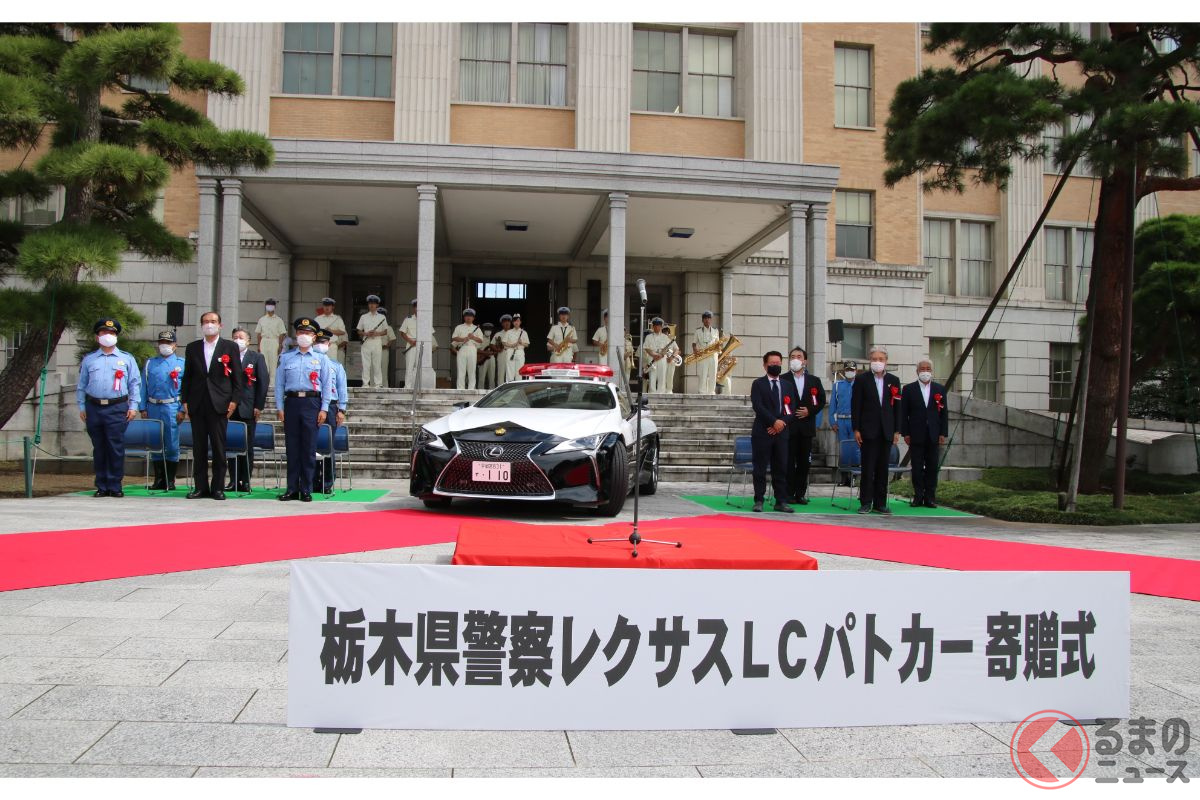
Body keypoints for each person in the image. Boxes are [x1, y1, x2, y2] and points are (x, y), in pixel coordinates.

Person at [179, 310, 243, 500]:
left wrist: (234, 401)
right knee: (198, 448)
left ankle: (218, 488)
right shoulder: (192, 347)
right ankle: (200, 487)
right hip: (197, 403)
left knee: (218, 448)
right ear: (201, 325)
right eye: (206, 321)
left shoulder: (229, 347)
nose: (209, 324)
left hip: (220, 403)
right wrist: (184, 400)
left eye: (213, 321)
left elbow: (237, 377)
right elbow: (187, 377)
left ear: (220, 325)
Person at [77, 318, 141, 497]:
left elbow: (135, 383)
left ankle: (115, 485)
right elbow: (82, 385)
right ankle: (101, 485)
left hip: (117, 407)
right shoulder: (89, 359)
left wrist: (133, 406)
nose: (108, 335)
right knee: (99, 447)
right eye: (104, 332)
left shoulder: (126, 358)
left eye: (111, 333)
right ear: (97, 336)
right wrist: (81, 406)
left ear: (116, 336)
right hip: (94, 406)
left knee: (115, 446)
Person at [276, 318, 333, 501]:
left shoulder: (321, 359)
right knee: (292, 448)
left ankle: (306, 488)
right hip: (292, 402)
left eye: (308, 333)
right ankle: (292, 488)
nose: (304, 336)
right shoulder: (286, 357)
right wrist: (279, 407)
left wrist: (324, 408)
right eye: (301, 332)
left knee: (309, 448)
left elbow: (327, 385)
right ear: (296, 334)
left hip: (312, 403)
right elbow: (279, 384)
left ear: (314, 337)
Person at [851, 345, 902, 514]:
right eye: (874, 359)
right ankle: (866, 502)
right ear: (869, 361)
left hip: (886, 430)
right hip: (868, 429)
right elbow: (856, 405)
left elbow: (898, 407)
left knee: (882, 468)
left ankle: (880, 503)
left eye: (881, 359)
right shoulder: (861, 379)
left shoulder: (894, 380)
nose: (877, 362)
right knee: (868, 467)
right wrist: (856, 429)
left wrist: (897, 430)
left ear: (886, 361)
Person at [749, 351, 800, 514]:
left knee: (781, 468)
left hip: (781, 433)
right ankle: (759, 500)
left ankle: (781, 501)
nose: (775, 366)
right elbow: (758, 406)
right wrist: (773, 422)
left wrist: (781, 423)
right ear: (765, 365)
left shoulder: (787, 385)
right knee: (760, 468)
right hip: (762, 432)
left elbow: (792, 408)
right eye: (772, 363)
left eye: (778, 363)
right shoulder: (758, 384)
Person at [901, 359, 950, 508]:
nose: (925, 371)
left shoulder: (939, 389)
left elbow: (944, 413)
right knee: (916, 467)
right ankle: (918, 496)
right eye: (922, 369)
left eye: (928, 369)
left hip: (934, 434)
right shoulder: (908, 389)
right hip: (916, 434)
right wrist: (906, 433)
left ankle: (930, 497)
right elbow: (903, 413)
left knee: (932, 467)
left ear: (931, 371)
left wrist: (943, 433)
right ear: (917, 371)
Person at [224, 328, 268, 493]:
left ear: (248, 341)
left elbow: (263, 383)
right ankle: (234, 480)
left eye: (241, 337)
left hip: (247, 407)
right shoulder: (227, 357)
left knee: (247, 446)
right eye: (235, 337)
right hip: (230, 408)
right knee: (231, 445)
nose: (237, 340)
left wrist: (259, 405)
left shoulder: (256, 357)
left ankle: (246, 480)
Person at [781, 346, 827, 505]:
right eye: (793, 356)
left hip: (806, 429)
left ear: (805, 361)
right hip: (789, 428)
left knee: (804, 463)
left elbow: (821, 401)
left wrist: (810, 411)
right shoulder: (783, 379)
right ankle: (788, 493)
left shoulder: (814, 380)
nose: (796, 359)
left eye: (799, 356)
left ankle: (800, 494)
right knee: (788, 462)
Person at [140, 330, 184, 491]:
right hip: (153, 406)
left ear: (175, 345)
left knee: (171, 443)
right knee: (155, 442)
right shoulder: (150, 363)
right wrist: (142, 407)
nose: (165, 345)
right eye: (162, 342)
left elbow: (186, 388)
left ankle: (170, 479)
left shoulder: (182, 363)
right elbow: (143, 386)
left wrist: (183, 409)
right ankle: (158, 479)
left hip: (171, 406)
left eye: (168, 343)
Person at [313, 328, 347, 494]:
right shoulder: (308, 362)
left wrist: (342, 409)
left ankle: (327, 481)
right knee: (311, 444)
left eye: (324, 342)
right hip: (312, 404)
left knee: (328, 444)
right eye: (318, 342)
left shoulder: (336, 365)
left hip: (332, 406)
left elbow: (342, 388)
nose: (321, 345)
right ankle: (312, 480)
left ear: (329, 344)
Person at [830, 359, 860, 487]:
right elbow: (833, 405)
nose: (849, 372)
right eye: (847, 370)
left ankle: (854, 477)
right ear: (844, 371)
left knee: (855, 449)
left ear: (856, 371)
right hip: (841, 421)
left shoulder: (860, 384)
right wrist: (833, 422)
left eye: (852, 370)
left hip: (855, 421)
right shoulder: (837, 385)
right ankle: (843, 478)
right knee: (843, 450)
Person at [356, 294, 388, 388]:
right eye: (370, 303)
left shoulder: (382, 317)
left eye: (374, 303)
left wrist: (376, 333)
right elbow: (358, 331)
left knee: (377, 364)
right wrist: (366, 333)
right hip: (366, 342)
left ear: (377, 305)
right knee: (366, 364)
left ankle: (378, 384)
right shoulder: (363, 317)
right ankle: (365, 383)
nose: (372, 305)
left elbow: (385, 331)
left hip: (377, 342)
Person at [451, 308, 484, 390]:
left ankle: (471, 389)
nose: (468, 317)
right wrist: (463, 339)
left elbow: (481, 340)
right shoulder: (459, 327)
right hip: (462, 349)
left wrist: (473, 337)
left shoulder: (477, 328)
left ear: (473, 318)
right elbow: (454, 337)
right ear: (464, 317)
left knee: (472, 371)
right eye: (467, 316)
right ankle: (460, 389)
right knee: (461, 370)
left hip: (472, 349)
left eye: (470, 316)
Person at [254, 298, 286, 380]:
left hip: (274, 341)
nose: (270, 307)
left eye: (271, 305)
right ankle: (264, 382)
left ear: (274, 307)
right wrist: (258, 345)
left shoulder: (279, 320)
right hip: (264, 341)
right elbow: (259, 333)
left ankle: (272, 383)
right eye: (268, 305)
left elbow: (282, 333)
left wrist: (280, 345)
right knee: (264, 362)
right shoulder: (262, 319)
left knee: (273, 362)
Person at [692, 311, 721, 395]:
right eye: (705, 318)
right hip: (703, 354)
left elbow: (718, 343)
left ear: (711, 320)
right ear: (702, 320)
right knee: (702, 374)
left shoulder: (716, 331)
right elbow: (694, 343)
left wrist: (719, 348)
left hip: (713, 355)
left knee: (713, 374)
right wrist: (695, 350)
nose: (707, 320)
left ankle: (711, 391)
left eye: (708, 318)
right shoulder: (698, 331)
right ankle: (702, 391)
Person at [642, 317, 671, 394]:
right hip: (652, 357)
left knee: (662, 376)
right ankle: (652, 392)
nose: (656, 327)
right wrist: (653, 355)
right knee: (652, 376)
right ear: (653, 326)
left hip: (662, 358)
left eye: (658, 326)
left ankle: (661, 392)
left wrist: (661, 355)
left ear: (661, 327)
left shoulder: (665, 337)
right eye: (655, 326)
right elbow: (646, 347)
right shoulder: (648, 337)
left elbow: (667, 348)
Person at [315, 297, 347, 363]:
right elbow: (313, 331)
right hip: (319, 344)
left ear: (333, 307)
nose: (327, 307)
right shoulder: (317, 319)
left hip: (331, 345)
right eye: (325, 305)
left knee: (331, 364)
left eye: (329, 305)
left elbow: (342, 332)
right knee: (318, 364)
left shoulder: (337, 319)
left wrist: (331, 331)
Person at [378, 307, 397, 387]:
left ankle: (384, 387)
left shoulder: (388, 328)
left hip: (384, 351)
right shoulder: (373, 327)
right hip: (374, 350)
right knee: (373, 370)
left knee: (384, 369)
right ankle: (373, 386)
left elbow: (392, 339)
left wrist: (387, 345)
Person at [476, 321, 498, 390]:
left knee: (492, 378)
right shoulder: (480, 338)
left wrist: (494, 352)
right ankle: (480, 392)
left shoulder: (494, 338)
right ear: (483, 330)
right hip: (482, 359)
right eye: (486, 329)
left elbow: (497, 350)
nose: (488, 331)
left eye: (489, 330)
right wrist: (485, 353)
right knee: (481, 378)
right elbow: (477, 350)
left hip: (492, 358)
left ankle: (492, 392)